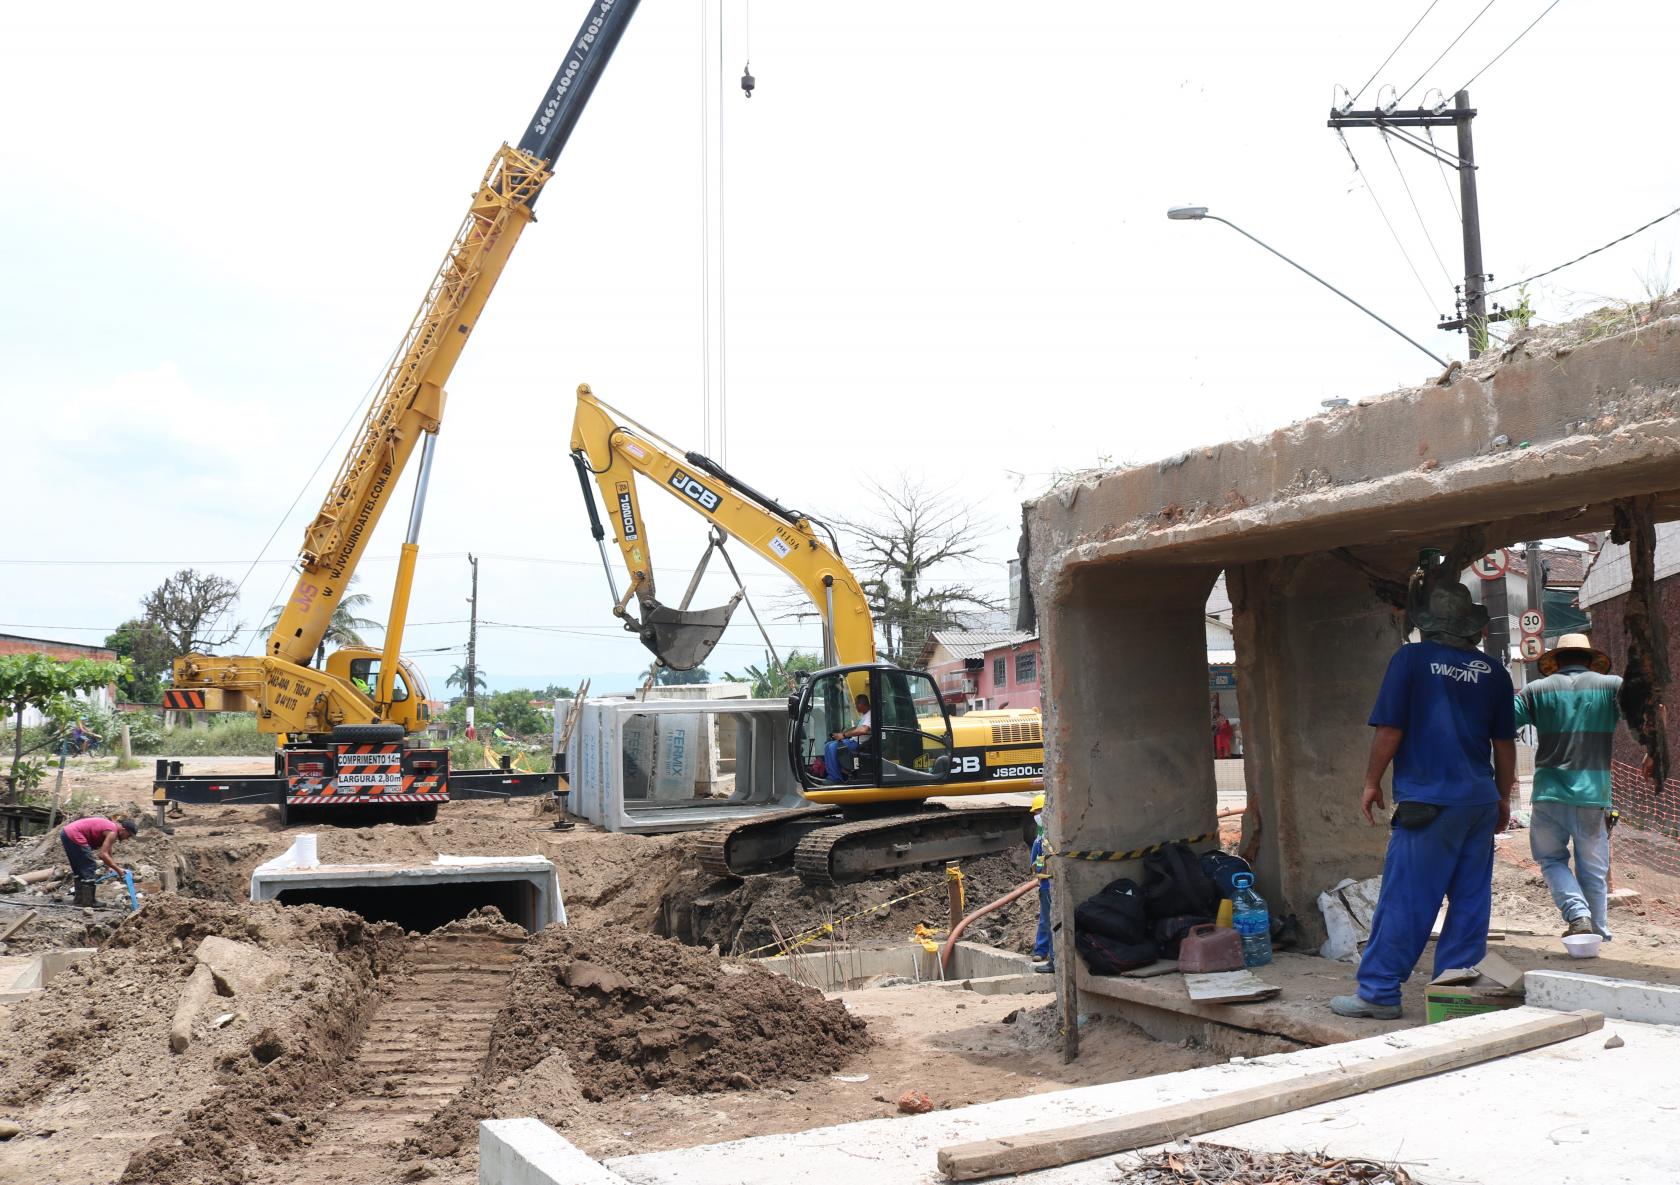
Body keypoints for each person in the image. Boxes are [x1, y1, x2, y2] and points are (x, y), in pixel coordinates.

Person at [1331, 580, 1516, 1020]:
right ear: (1469, 628)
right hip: (1478, 802)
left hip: (1429, 803)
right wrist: (1502, 798)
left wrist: (1371, 781)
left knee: (1407, 899)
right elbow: (1505, 745)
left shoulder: (1411, 660)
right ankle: (1454, 994)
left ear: (1428, 625)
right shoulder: (1494, 672)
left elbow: (1390, 729)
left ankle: (1377, 993)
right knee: (1470, 902)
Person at [1514, 632, 1628, 941]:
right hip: (1593, 795)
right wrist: (1651, 754)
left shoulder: (1536, 690)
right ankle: (1599, 933)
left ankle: (1577, 914)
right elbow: (1648, 714)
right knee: (1593, 870)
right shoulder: (1613, 686)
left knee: (1551, 860)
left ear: (1557, 661)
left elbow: (1504, 720)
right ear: (1590, 659)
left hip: (1548, 794)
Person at [61, 816, 138, 884]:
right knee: (89, 866)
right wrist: (118, 870)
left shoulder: (112, 827)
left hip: (66, 833)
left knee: (79, 869)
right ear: (123, 830)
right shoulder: (113, 833)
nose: (128, 838)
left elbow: (108, 849)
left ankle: (80, 898)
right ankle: (88, 899)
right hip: (74, 834)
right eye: (129, 835)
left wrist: (109, 867)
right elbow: (102, 855)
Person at [1029, 793, 1053, 972]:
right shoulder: (1040, 837)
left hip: (1053, 884)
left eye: (1039, 811)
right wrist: (1039, 865)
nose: (1037, 816)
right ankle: (1041, 950)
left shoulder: (1052, 835)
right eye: (1035, 813)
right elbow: (1035, 863)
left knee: (1052, 921)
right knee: (1046, 920)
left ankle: (1051, 954)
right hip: (1045, 885)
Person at [823, 693, 871, 781]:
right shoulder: (865, 715)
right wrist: (842, 733)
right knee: (827, 745)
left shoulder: (870, 715)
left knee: (832, 747)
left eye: (857, 704)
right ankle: (833, 773)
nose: (856, 706)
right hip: (854, 741)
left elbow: (863, 730)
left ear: (862, 704)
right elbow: (857, 728)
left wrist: (843, 735)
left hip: (859, 744)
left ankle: (835, 778)